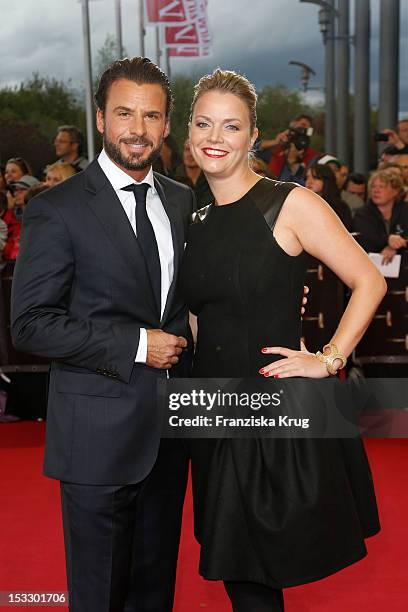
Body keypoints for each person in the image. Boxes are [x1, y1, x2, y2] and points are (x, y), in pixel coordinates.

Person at [179, 69, 385, 611]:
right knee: (237, 567)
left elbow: (370, 280)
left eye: (231, 126)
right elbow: (203, 315)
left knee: (253, 568)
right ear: (189, 133)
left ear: (253, 137)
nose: (214, 137)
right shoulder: (194, 217)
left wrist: (328, 359)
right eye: (204, 123)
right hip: (209, 405)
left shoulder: (288, 204)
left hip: (267, 403)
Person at [11, 57, 195, 612]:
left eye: (151, 116)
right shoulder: (56, 210)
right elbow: (29, 323)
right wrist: (137, 344)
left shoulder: (184, 202)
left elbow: (191, 303)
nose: (137, 129)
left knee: (154, 593)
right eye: (124, 113)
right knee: (99, 597)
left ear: (167, 126)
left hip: (169, 435)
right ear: (100, 119)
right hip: (96, 439)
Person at [352, 170, 407, 263]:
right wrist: (388, 240)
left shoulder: (405, 210)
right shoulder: (362, 213)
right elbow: (364, 238)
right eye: (373, 187)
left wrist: (395, 247)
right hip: (370, 264)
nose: (376, 190)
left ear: (395, 191)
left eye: (381, 186)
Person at [305, 163, 352, 229]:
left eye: (315, 178)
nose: (308, 182)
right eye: (307, 177)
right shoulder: (300, 205)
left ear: (326, 180)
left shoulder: (340, 208)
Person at [173, 138, 213, 207]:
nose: (190, 154)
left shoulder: (213, 181)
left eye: (195, 151)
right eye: (187, 150)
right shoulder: (173, 180)